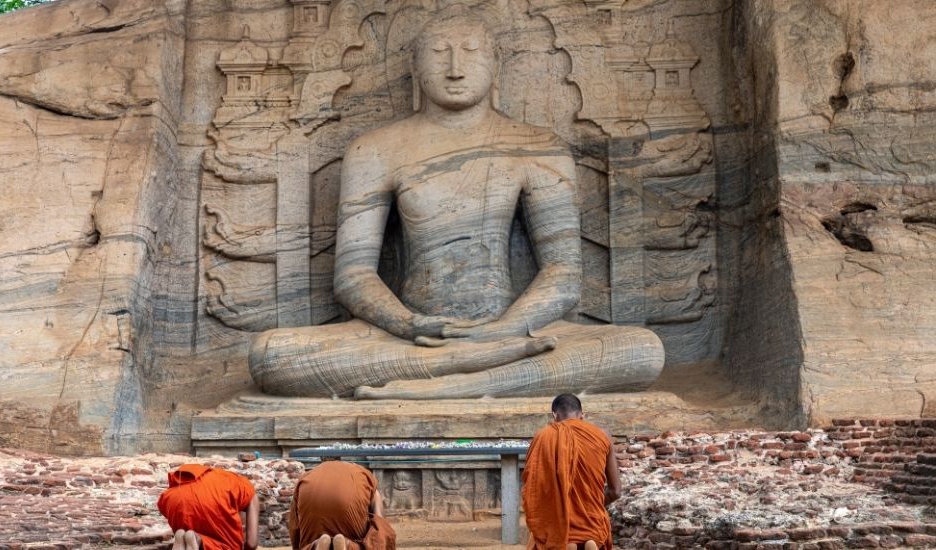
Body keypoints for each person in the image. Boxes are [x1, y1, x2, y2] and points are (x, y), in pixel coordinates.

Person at [248, 6, 664, 400]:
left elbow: (564, 273)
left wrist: (504, 329)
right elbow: (353, 276)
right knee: (272, 354)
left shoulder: (538, 147)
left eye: (471, 52)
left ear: (496, 64)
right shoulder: (375, 149)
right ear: (415, 68)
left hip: (513, 330)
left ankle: (447, 383)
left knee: (640, 350)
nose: (455, 68)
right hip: (409, 337)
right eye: (438, 53)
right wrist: (408, 324)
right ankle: (484, 373)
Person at [522, 394, 622, 550]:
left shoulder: (543, 437)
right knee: (592, 526)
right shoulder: (602, 435)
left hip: (558, 524)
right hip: (592, 521)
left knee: (545, 535)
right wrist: (589, 505)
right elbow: (615, 491)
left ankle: (570, 541)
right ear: (582, 415)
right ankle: (588, 539)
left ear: (554, 415)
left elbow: (535, 490)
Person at [288, 460, 396, 550]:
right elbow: (379, 521)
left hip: (309, 494)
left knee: (309, 541)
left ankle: (315, 545)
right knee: (376, 536)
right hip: (349, 502)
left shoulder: (307, 476)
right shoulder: (363, 474)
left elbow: (294, 525)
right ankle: (348, 544)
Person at [157, 463, 259, 550]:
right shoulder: (248, 489)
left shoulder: (225, 478)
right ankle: (195, 539)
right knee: (230, 545)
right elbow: (252, 543)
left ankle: (195, 539)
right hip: (214, 496)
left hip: (173, 497)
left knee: (192, 536)